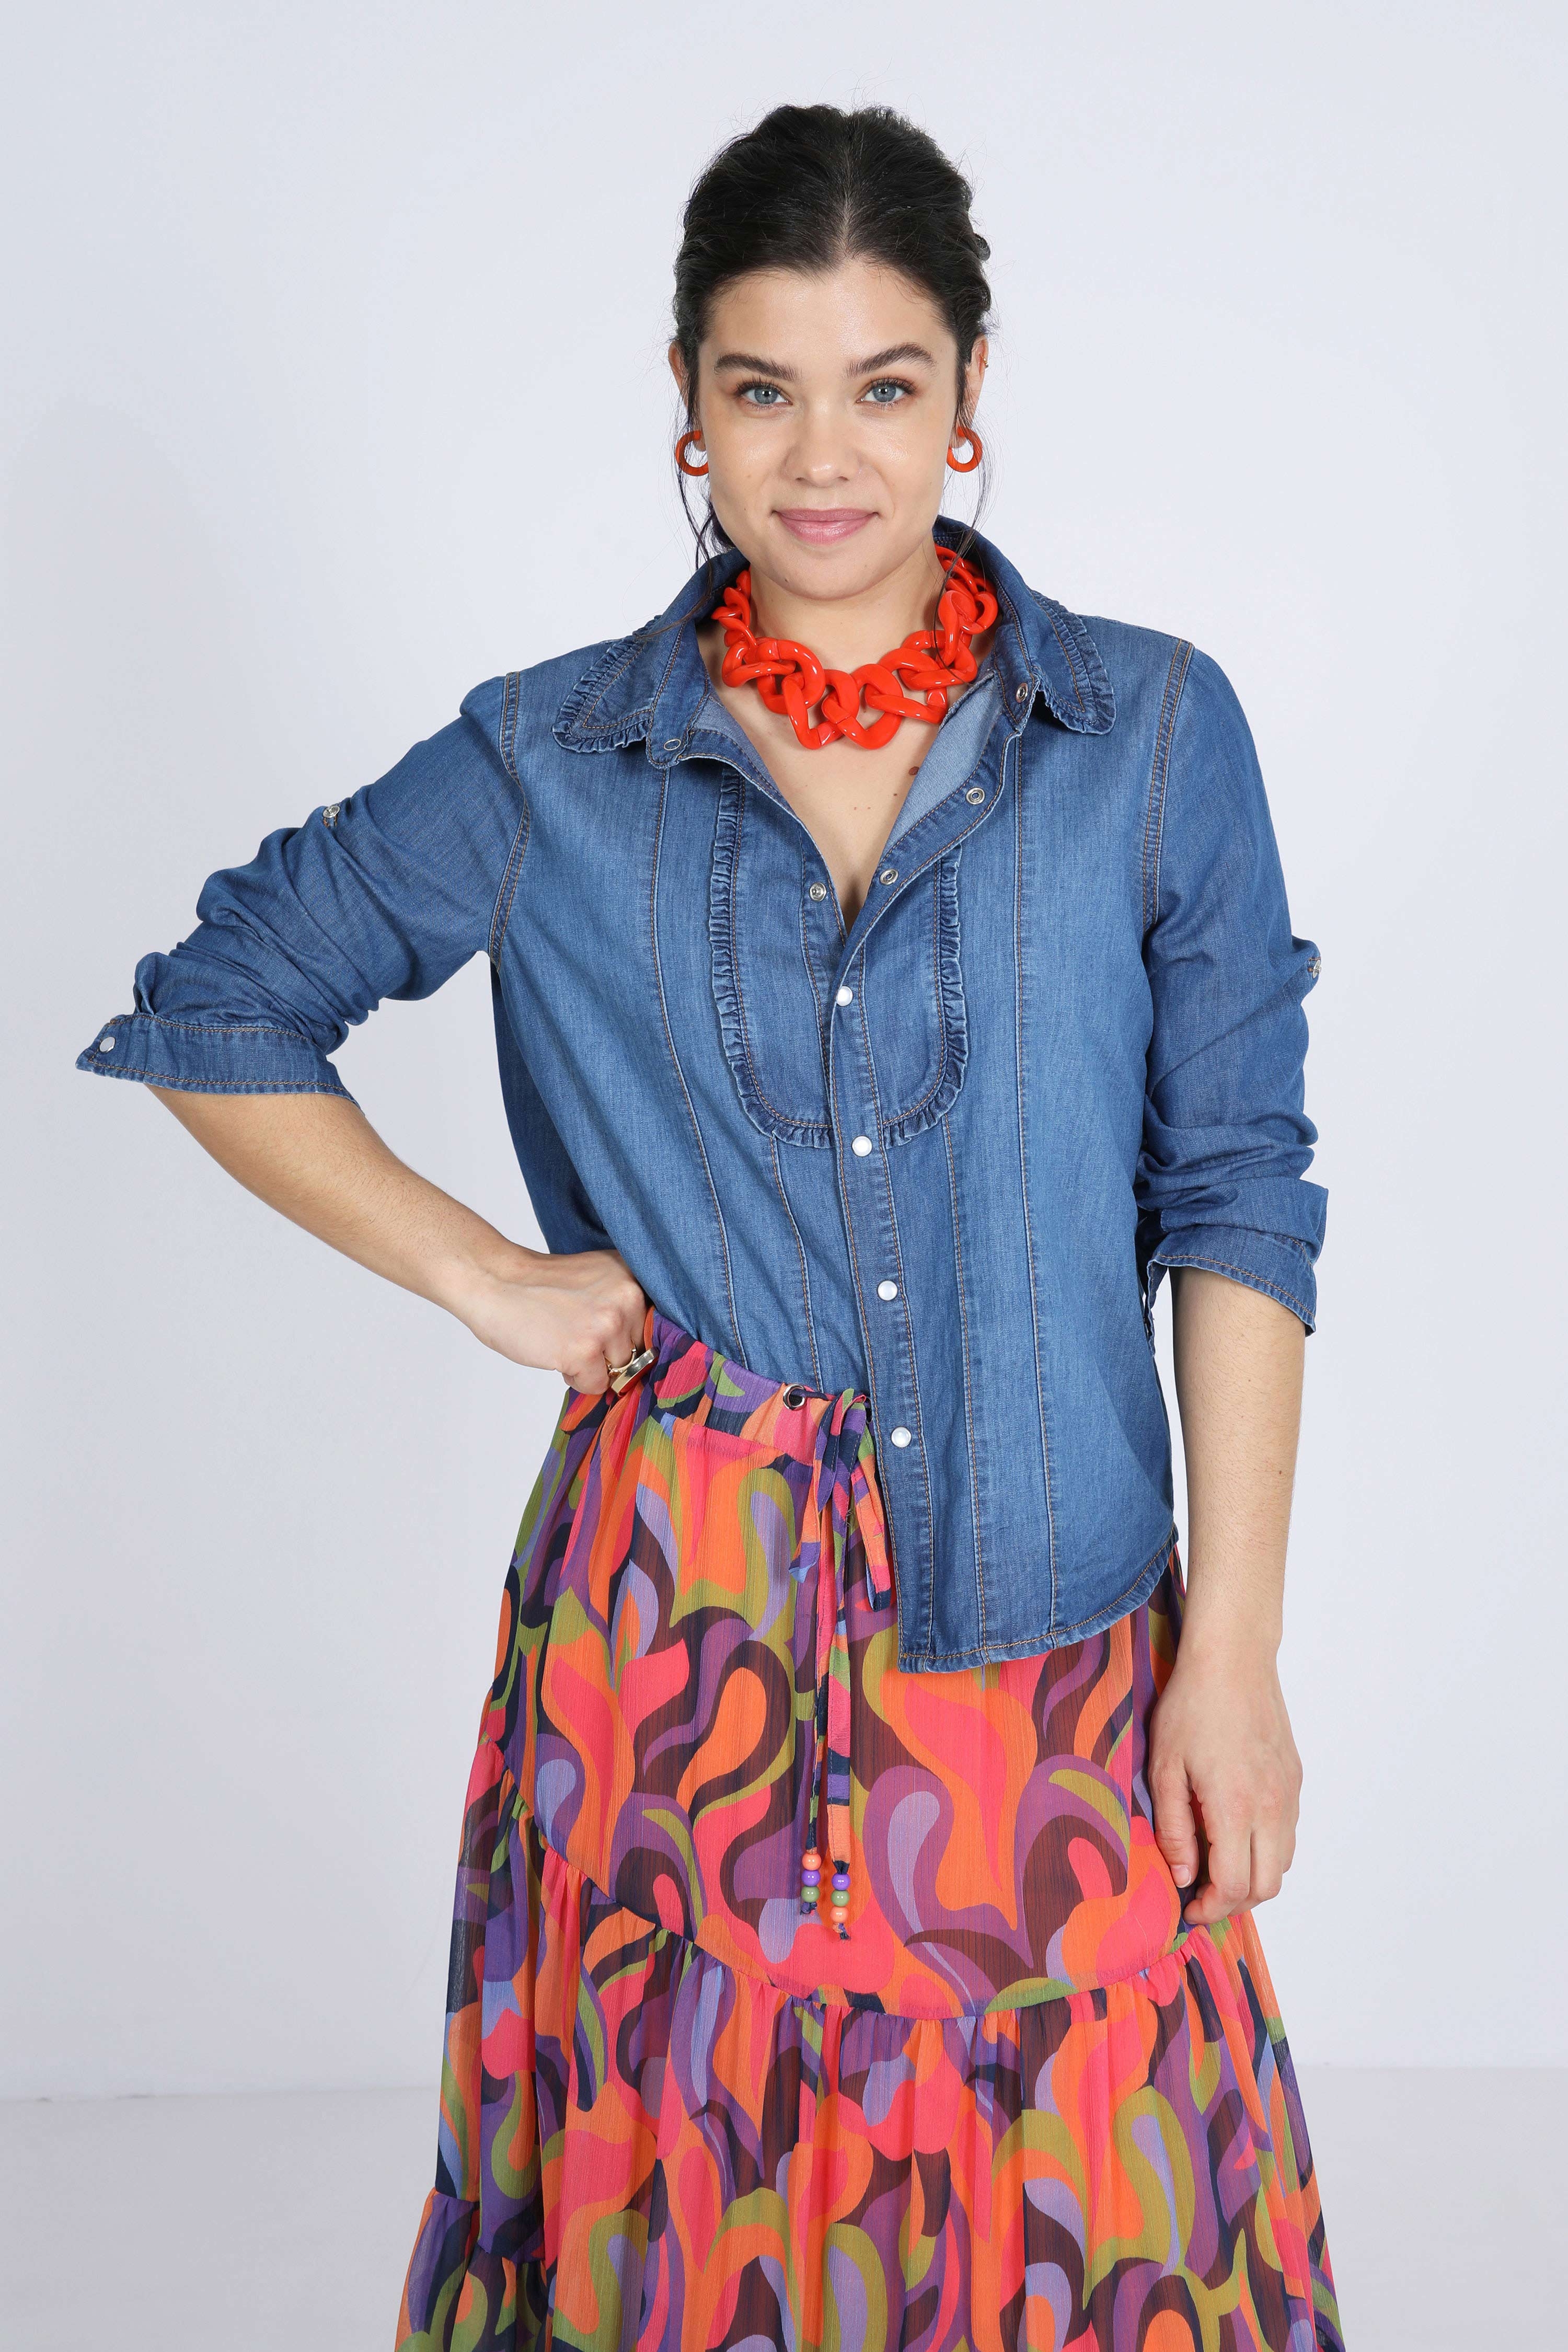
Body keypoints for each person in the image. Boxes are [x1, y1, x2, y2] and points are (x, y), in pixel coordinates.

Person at [77, 101, 1342, 2352]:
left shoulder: (1150, 735)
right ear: (688, 404)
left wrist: (1228, 1650)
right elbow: (217, 1006)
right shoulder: (550, 762)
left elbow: (1237, 1185)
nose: (823, 456)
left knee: (1081, 2206)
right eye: (764, 388)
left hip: (1045, 1620)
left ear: (970, 396)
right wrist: (484, 1274)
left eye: (884, 385)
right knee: (694, 2189)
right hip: (678, 1643)